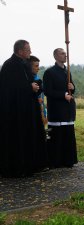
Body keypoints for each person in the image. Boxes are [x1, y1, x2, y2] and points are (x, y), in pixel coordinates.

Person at [0, 40, 48, 177]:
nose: (30, 52)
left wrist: (36, 85)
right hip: (15, 112)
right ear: (20, 51)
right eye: (28, 50)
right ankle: (18, 168)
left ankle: (32, 165)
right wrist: (29, 87)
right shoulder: (10, 66)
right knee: (18, 139)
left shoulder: (25, 65)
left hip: (28, 109)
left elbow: (29, 81)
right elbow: (10, 89)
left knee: (30, 136)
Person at [43, 48, 78, 168]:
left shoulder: (67, 71)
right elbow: (48, 91)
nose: (65, 55)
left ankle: (68, 160)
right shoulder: (49, 72)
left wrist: (72, 87)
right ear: (55, 56)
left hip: (67, 110)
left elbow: (72, 90)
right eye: (62, 53)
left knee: (68, 136)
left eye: (65, 53)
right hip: (57, 110)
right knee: (57, 137)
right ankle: (55, 161)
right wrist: (63, 95)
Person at [29, 55, 48, 125]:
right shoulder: (26, 81)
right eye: (36, 66)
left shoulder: (38, 80)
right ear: (29, 67)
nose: (38, 68)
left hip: (41, 110)